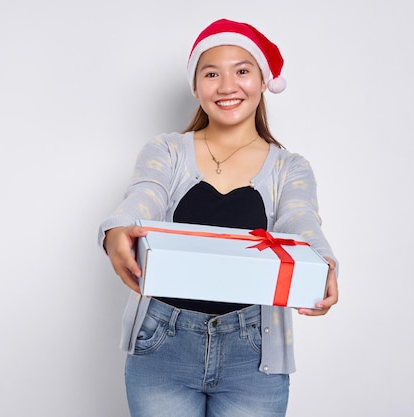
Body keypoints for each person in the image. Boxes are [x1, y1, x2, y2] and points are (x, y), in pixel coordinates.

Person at [98, 18, 338, 417]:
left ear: (263, 81)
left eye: (242, 71)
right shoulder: (167, 150)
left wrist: (323, 262)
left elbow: (302, 222)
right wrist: (117, 229)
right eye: (212, 73)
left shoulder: (290, 167)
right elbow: (145, 194)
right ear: (196, 87)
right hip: (162, 343)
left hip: (255, 356)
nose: (227, 86)